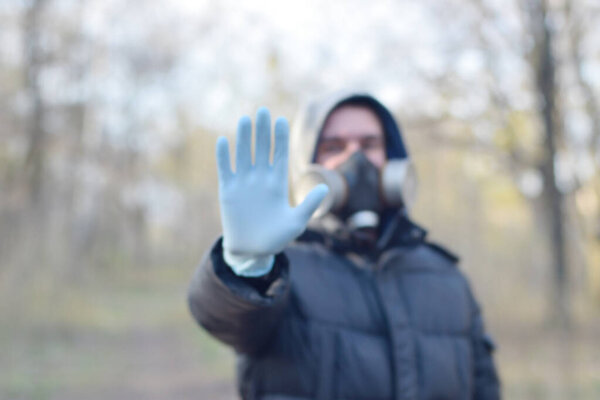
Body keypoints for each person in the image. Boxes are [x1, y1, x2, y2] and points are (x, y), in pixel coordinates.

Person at [187, 91, 501, 400]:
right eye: (334, 146)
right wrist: (247, 267)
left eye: (369, 144)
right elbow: (221, 319)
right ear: (307, 166)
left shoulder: (447, 278)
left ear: (392, 157)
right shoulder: (280, 272)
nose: (356, 159)